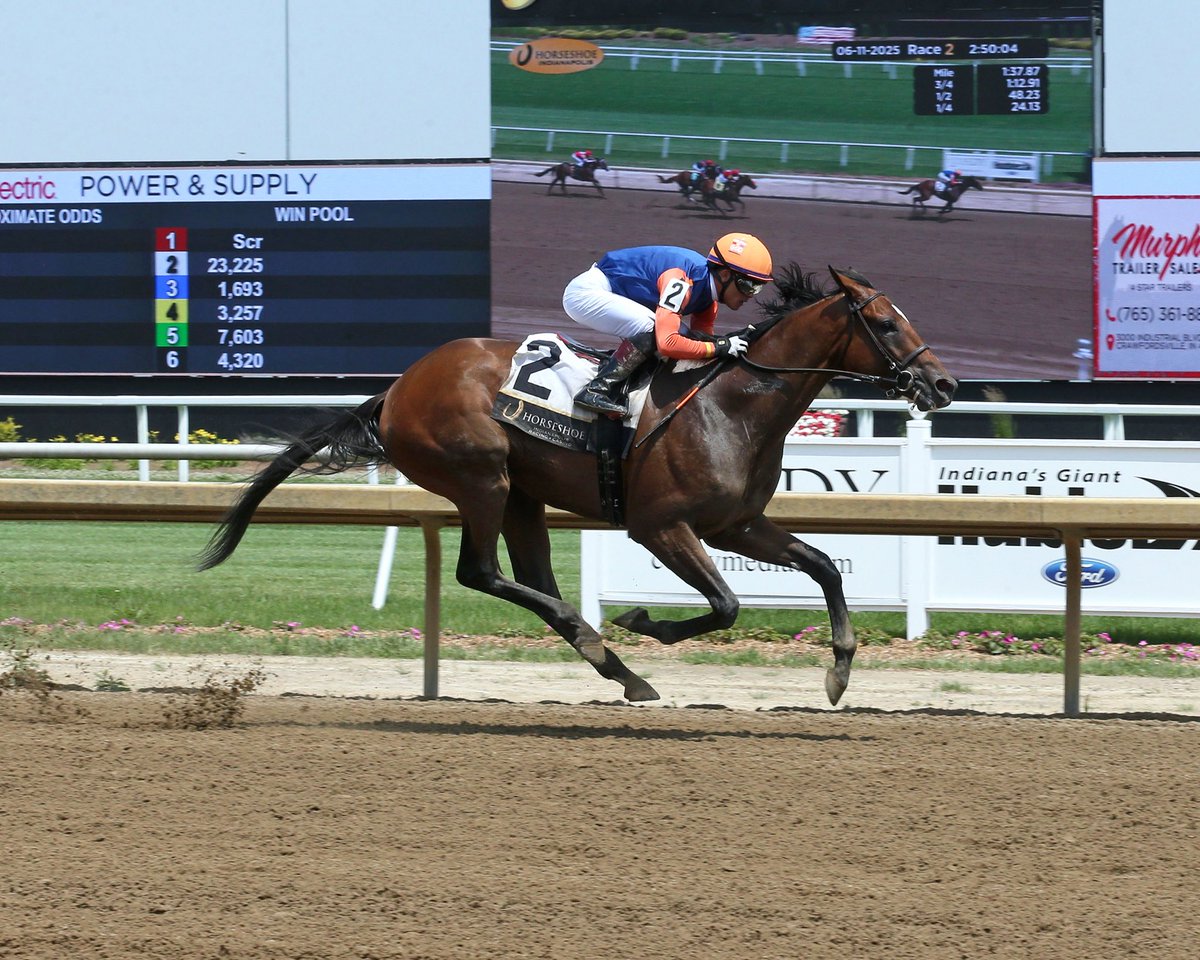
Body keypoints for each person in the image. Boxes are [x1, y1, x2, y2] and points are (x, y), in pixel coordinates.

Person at [563, 232, 774, 417]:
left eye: (758, 288)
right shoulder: (681, 280)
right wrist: (720, 346)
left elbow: (699, 345)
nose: (750, 296)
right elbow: (668, 343)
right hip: (586, 293)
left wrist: (719, 348)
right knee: (654, 330)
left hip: (611, 294)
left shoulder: (708, 301)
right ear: (725, 274)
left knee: (686, 337)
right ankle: (595, 390)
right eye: (748, 286)